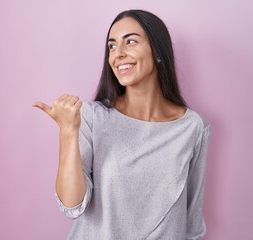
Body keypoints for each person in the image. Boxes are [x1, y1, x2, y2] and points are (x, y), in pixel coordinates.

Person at [33, 9, 211, 240]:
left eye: (131, 42)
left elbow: (192, 223)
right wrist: (67, 130)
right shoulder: (92, 116)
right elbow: (72, 204)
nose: (118, 53)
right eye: (112, 46)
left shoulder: (192, 128)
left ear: (158, 51)